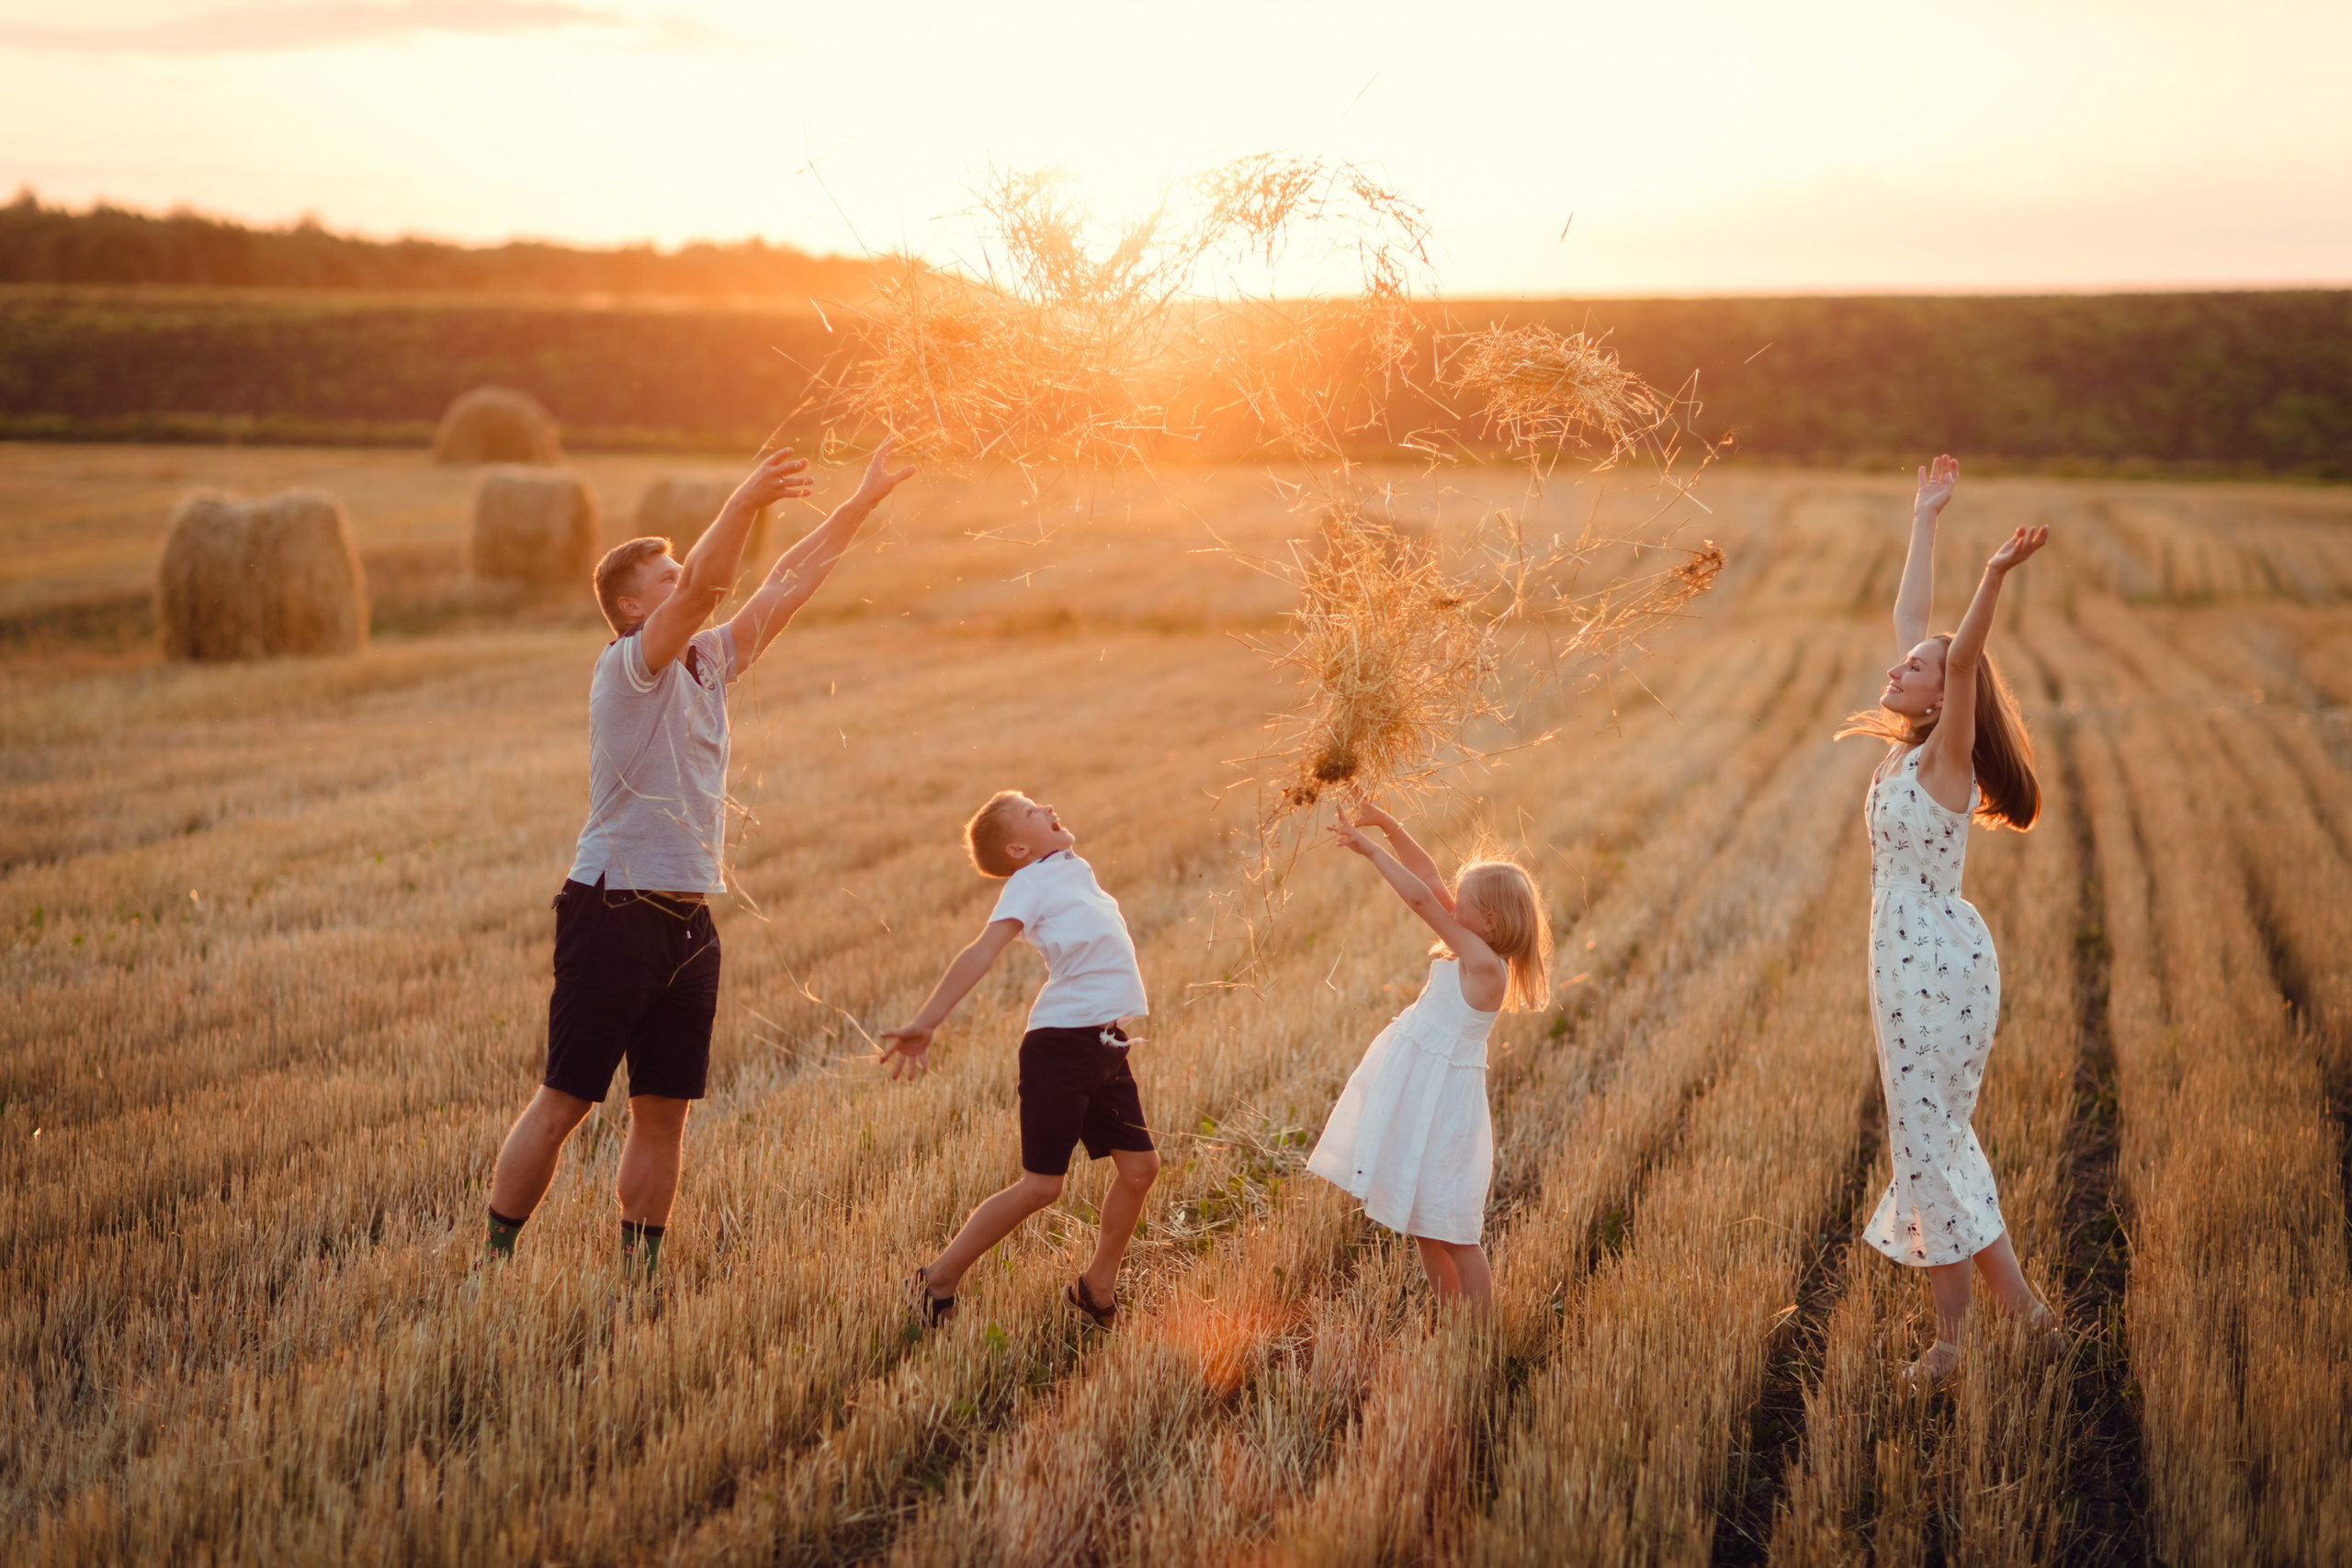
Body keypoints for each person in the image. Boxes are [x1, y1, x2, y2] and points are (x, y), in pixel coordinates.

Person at [481, 439, 918, 1280]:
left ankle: (636, 1278)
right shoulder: (630, 668)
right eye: (668, 577)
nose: (687, 581)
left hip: (689, 922)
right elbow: (717, 582)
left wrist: (859, 505)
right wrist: (745, 499)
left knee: (665, 1113)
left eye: (683, 570)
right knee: (568, 1100)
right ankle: (493, 1259)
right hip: (611, 911)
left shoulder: (708, 658)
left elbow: (785, 581)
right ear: (633, 609)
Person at [1839, 454, 2054, 1389]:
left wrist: (1991, 577)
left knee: (1928, 1143)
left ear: (1941, 694)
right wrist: (1923, 519)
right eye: (1911, 660)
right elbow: (1911, 623)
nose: (1904, 663)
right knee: (1934, 1138)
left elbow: (1959, 655)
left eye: (1918, 667)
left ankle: (1972, 1340)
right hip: (1906, 959)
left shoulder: (1946, 761)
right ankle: (2004, 1323)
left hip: (1933, 960)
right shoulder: (1908, 752)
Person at [878, 793, 1159, 1329]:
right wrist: (928, 1020)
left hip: (1105, 1042)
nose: (1049, 806)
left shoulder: (1071, 868)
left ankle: (1096, 1286)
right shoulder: (1028, 883)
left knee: (1141, 1169)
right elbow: (983, 950)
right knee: (1042, 1186)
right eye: (1033, 810)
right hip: (1061, 1046)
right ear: (1018, 847)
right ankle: (936, 1278)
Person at [1306, 798, 1550, 1312]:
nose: (1449, 905)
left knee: (1456, 1231)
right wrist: (1390, 824)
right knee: (1422, 1224)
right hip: (1421, 1084)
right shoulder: (1470, 942)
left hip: (1443, 1100)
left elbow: (1421, 900)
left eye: (1460, 903)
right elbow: (1429, 878)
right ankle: (1452, 1323)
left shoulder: (1485, 966)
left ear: (1488, 919)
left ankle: (1480, 1339)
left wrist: (1371, 851)